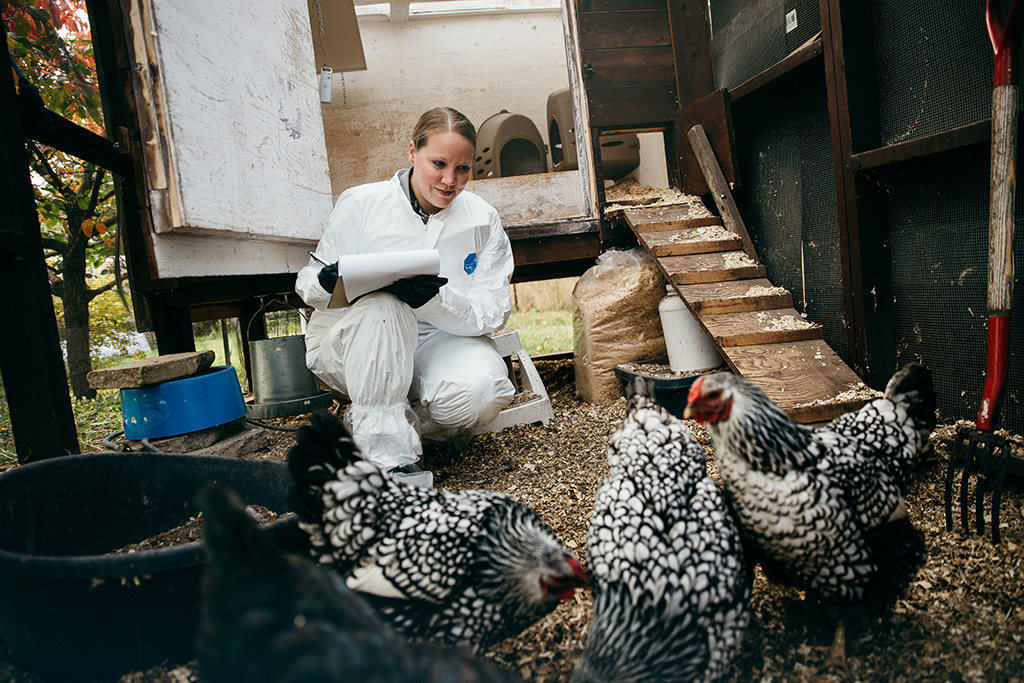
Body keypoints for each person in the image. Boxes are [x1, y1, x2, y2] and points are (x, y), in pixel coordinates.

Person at [295, 107, 516, 487]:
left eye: (463, 169)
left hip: (438, 337)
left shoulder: (482, 218)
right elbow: (308, 286)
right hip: (360, 335)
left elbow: (493, 310)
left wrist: (435, 301)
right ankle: (386, 462)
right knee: (385, 308)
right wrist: (327, 280)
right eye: (439, 163)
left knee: (483, 391)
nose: (450, 180)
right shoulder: (361, 204)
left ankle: (396, 431)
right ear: (412, 152)